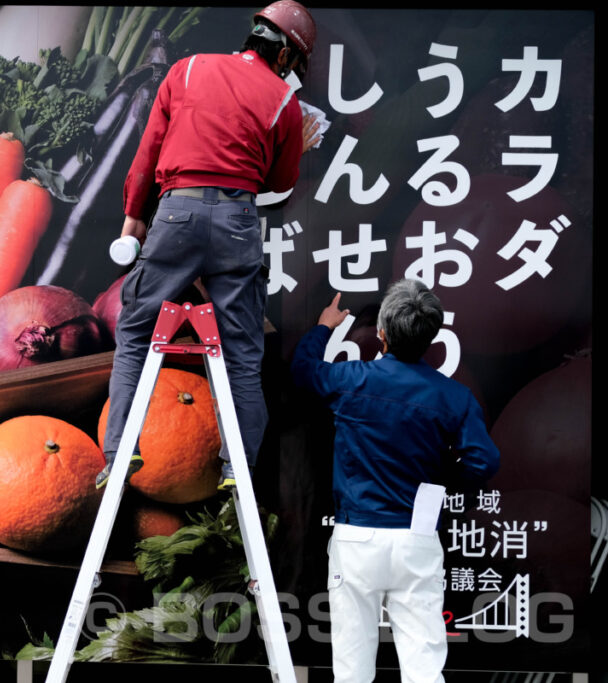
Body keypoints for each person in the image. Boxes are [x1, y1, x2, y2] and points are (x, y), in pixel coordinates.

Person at [98, 0, 320, 491]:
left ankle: (119, 457)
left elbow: (147, 151)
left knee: (136, 333)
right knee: (243, 352)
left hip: (176, 212)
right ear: (285, 57)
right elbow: (278, 186)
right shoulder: (286, 102)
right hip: (239, 220)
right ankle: (234, 471)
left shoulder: (188, 68)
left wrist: (134, 218)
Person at [290, 279, 500, 683]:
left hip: (357, 539)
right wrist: (444, 482)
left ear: (382, 334)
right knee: (423, 667)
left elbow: (303, 370)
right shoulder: (454, 397)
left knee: (352, 668)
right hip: (416, 539)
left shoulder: (353, 379)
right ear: (432, 338)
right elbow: (485, 462)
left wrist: (324, 327)